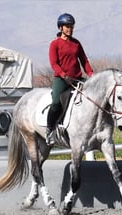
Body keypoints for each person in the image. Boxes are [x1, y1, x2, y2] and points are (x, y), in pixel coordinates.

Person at [46, 13, 94, 145]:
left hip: (77, 78)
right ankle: (49, 129)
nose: (70, 29)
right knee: (56, 103)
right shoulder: (54, 44)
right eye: (67, 26)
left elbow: (84, 60)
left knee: (93, 95)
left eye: (72, 26)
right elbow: (54, 63)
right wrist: (63, 75)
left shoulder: (76, 43)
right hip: (61, 79)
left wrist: (91, 74)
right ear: (61, 27)